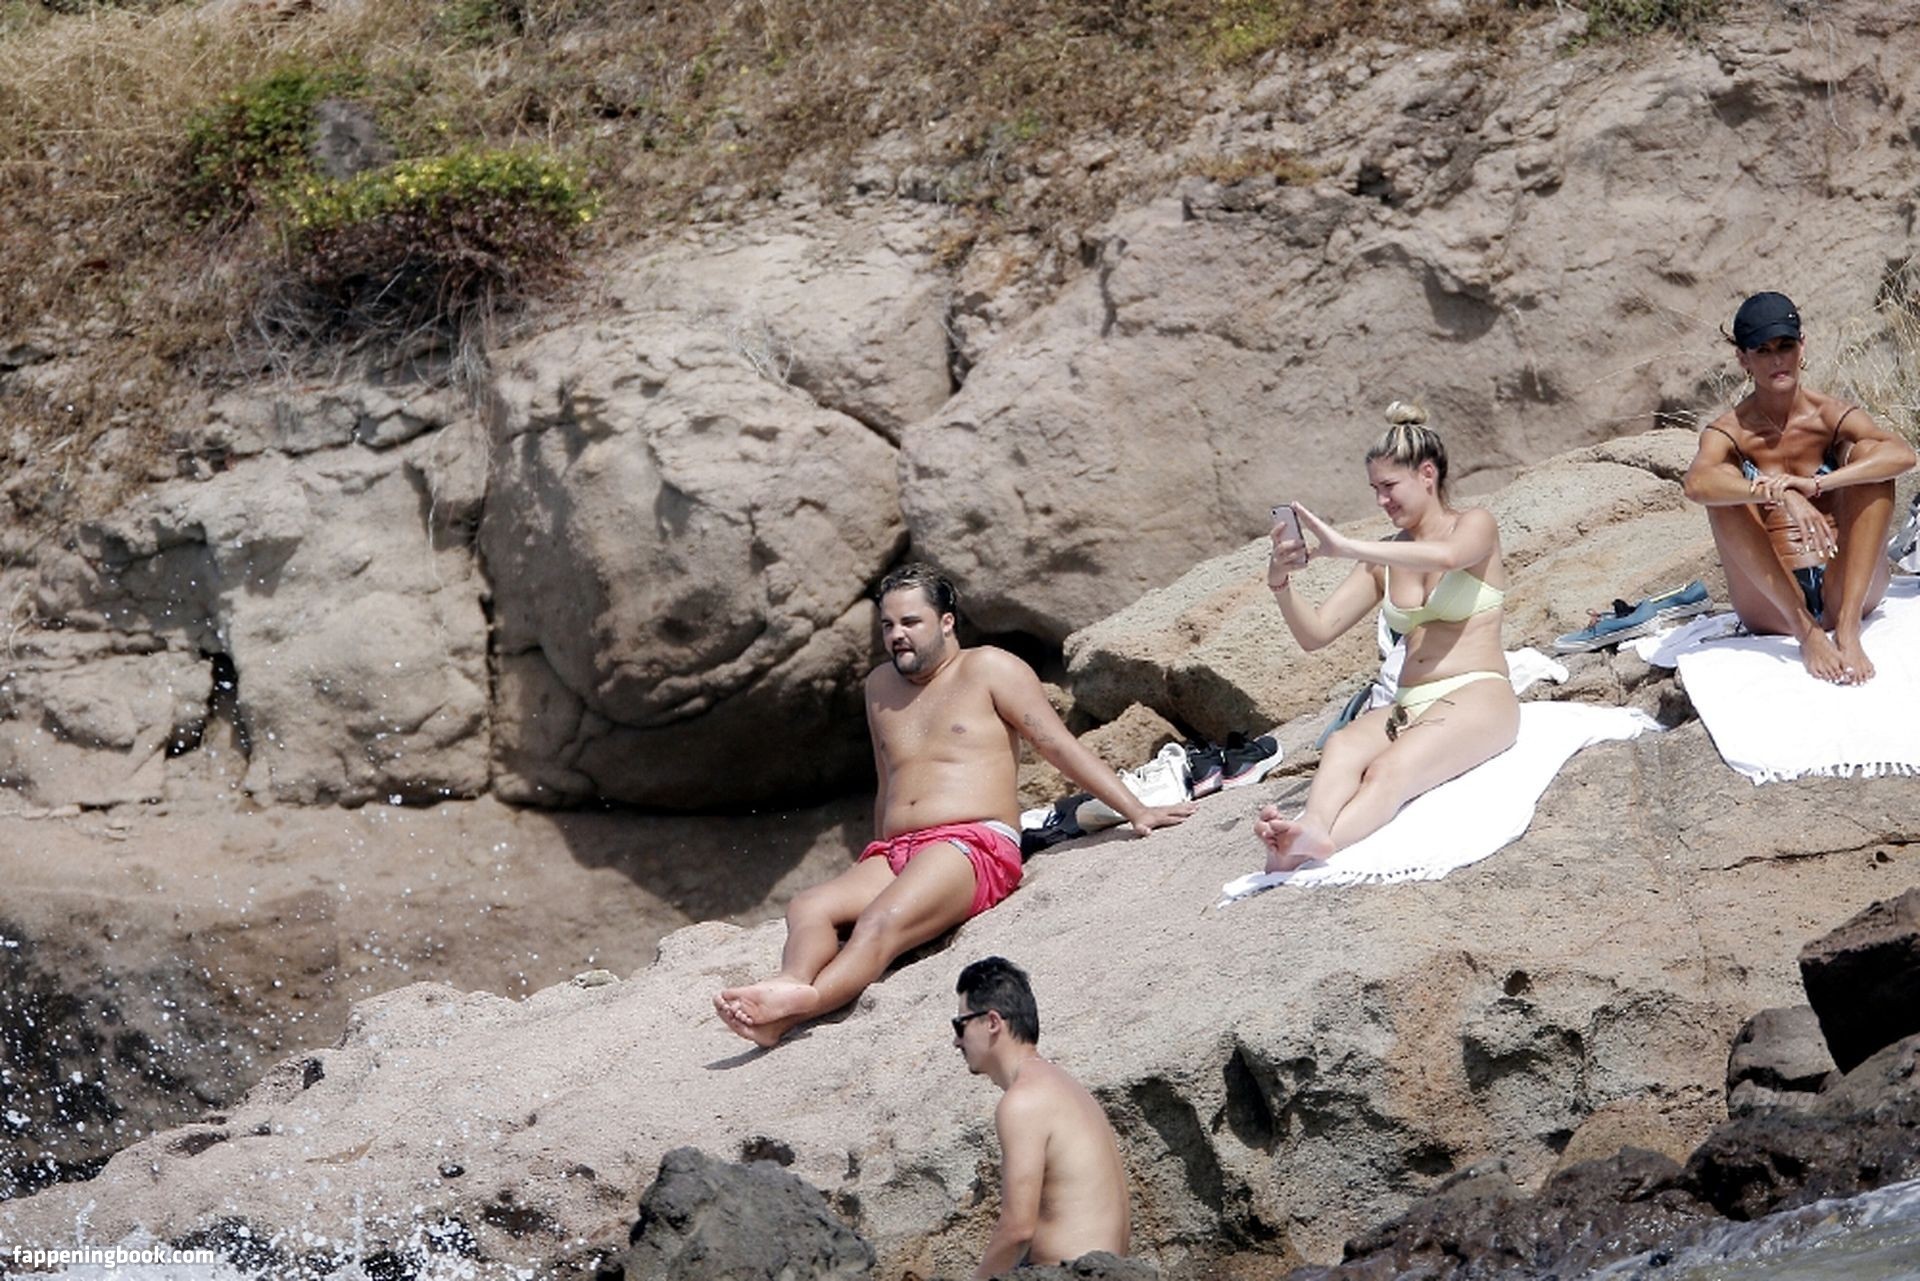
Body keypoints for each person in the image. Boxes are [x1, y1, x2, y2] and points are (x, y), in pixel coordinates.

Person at [714, 564, 1193, 1047]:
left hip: (973, 842)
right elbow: (887, 780)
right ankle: (788, 989)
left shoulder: (990, 668)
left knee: (881, 919)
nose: (897, 635)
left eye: (910, 622)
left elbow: (1058, 746)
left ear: (946, 622)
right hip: (899, 849)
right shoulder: (879, 687)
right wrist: (875, 855)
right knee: (809, 905)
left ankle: (807, 1003)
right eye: (887, 625)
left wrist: (1137, 811)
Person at [1255, 402, 1519, 873]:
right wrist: (1280, 581)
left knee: (1386, 769)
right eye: (1375, 489)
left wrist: (1344, 547)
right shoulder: (1384, 557)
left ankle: (1311, 848)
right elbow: (1316, 634)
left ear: (1427, 474)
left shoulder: (1475, 524)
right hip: (1409, 702)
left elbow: (1448, 557)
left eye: (1389, 486)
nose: (1381, 500)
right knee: (1342, 746)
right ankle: (1311, 826)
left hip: (1478, 693)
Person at [1682, 291, 1917, 684]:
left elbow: (1903, 455)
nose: (1777, 360)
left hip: (1847, 590)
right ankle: (1808, 633)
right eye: (1763, 350)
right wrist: (1779, 493)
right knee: (1722, 492)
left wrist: (1815, 483)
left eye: (1785, 346)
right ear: (1743, 359)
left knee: (1869, 460)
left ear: (1801, 346)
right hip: (1773, 606)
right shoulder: (1730, 431)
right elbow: (1696, 483)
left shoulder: (1830, 415)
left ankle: (1847, 630)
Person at [951, 957, 1130, 1277]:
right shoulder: (1066, 1087)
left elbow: (1017, 1229)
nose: (956, 1041)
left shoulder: (1024, 1101)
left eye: (960, 1025)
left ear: (992, 1022)